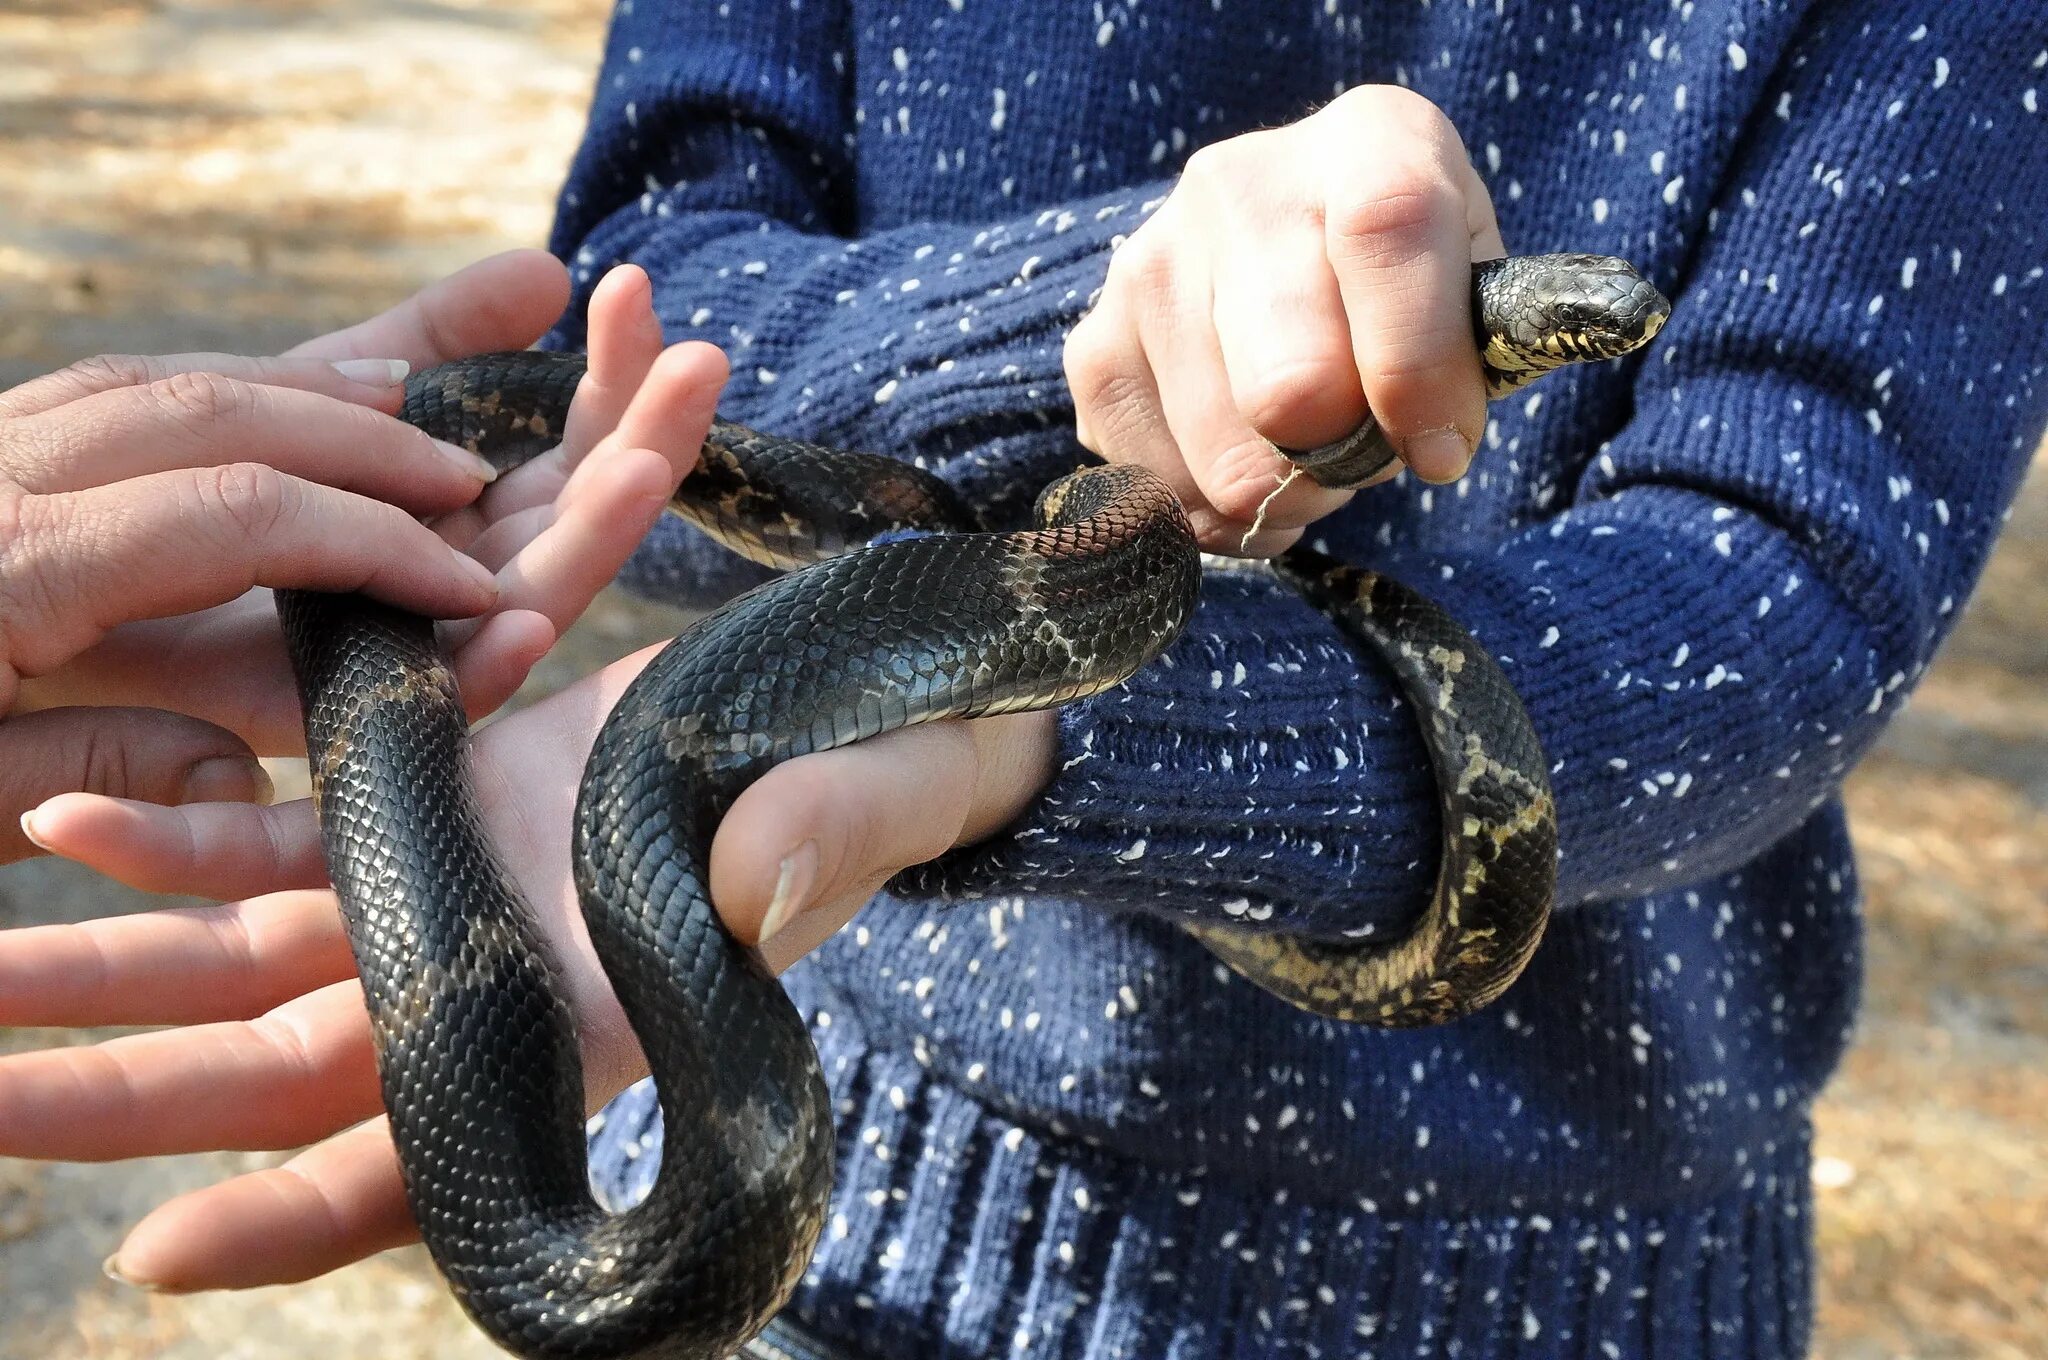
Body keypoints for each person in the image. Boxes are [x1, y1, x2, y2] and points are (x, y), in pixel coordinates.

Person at [3, 3, 2045, 1358]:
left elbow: (1783, 569)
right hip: (858, 1246)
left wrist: (1069, 726)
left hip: (1580, 1273)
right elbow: (644, 297)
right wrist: (1103, 316)